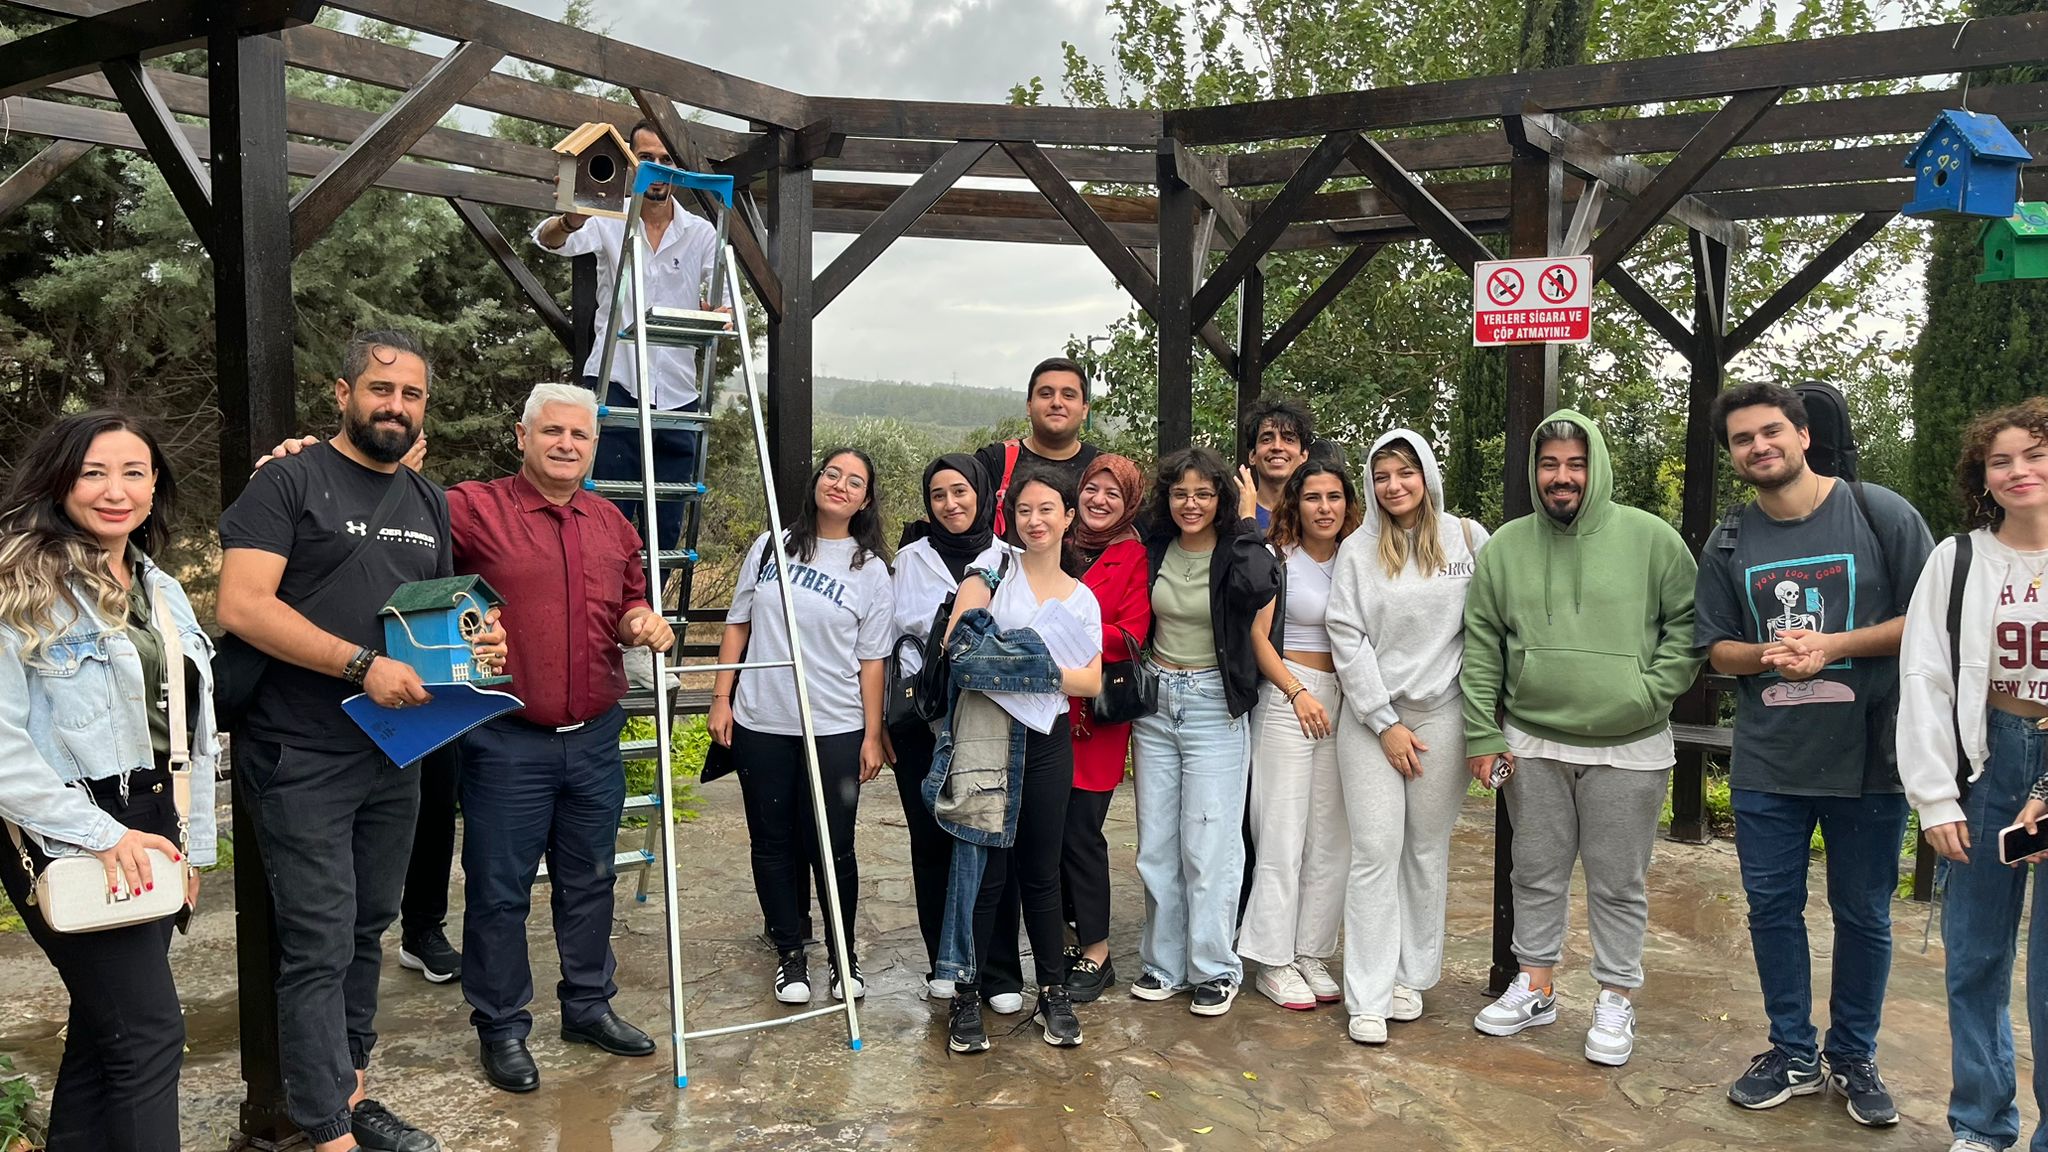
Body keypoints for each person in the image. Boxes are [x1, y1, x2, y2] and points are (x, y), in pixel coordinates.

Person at [218, 330, 505, 1152]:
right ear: (342, 392)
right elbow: (242, 605)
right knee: (316, 938)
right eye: (382, 390)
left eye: (411, 395)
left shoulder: (427, 500)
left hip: (395, 747)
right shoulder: (289, 479)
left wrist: (477, 644)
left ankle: (350, 1091)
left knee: (366, 928)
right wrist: (359, 665)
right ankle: (322, 1130)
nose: (396, 406)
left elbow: (428, 614)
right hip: (301, 750)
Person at [1694, 383, 1930, 1125]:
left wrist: (1832, 645)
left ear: (1801, 434)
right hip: (1771, 762)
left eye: (1770, 432)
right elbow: (1716, 651)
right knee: (1773, 911)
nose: (1758, 447)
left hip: (1871, 760)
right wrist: (1769, 655)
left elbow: (1931, 621)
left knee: (1863, 915)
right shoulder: (1731, 538)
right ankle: (1792, 1050)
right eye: (1742, 439)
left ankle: (1853, 1055)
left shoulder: (1877, 512)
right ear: (1732, 454)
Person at [446, 384, 674, 1092]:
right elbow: (388, 511)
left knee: (590, 881)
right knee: (499, 891)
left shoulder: (612, 523)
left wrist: (638, 619)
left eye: (579, 434)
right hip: (504, 741)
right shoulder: (470, 509)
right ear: (522, 435)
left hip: (596, 738)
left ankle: (587, 1006)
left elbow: (630, 595)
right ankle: (503, 1026)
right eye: (552, 432)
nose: (566, 444)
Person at [0, 412, 216, 1152]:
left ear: (155, 485)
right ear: (61, 481)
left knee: (104, 1034)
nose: (115, 490)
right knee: (150, 1039)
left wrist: (186, 846)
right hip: (72, 826)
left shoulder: (163, 590)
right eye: (94, 472)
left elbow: (187, 736)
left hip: (153, 822)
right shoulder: (20, 584)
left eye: (134, 472)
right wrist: (103, 834)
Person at [1460, 411, 1701, 1068]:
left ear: (1595, 466)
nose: (1561, 478)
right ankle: (1536, 986)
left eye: (1574, 463)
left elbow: (1687, 629)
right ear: (1535, 473)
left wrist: (1647, 693)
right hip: (1532, 742)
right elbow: (1481, 645)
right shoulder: (1505, 547)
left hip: (1630, 745)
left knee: (1618, 880)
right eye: (1549, 465)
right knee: (1534, 872)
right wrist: (1482, 729)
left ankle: (1616, 995)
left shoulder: (1653, 540)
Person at [1897, 397, 2048, 1152]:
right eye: (2001, 459)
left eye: (2034, 453)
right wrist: (1933, 795)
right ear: (1982, 477)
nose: (2019, 470)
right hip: (1992, 755)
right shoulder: (1958, 559)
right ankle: (1982, 1124)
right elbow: (1924, 674)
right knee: (1977, 950)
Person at [708, 448, 893, 1006]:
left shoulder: (870, 569)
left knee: (833, 846)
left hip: (834, 725)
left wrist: (871, 733)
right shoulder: (770, 547)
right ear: (816, 480)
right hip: (762, 719)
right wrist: (722, 698)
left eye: (855, 481)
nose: (840, 485)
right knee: (771, 842)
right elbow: (737, 625)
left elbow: (872, 661)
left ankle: (843, 955)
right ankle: (790, 953)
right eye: (832, 473)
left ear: (865, 500)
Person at [1326, 430, 1488, 1046]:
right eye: (1384, 475)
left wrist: (1483, 718)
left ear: (1426, 475)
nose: (1395, 486)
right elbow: (1346, 634)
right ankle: (1366, 994)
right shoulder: (1357, 552)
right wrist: (1383, 722)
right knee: (1375, 851)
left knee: (1424, 848)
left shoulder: (1467, 539)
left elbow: (1489, 622)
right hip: (1373, 721)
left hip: (1443, 712)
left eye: (1406, 473)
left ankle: (1408, 975)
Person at [940, 466, 1104, 1053]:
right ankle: (966, 994)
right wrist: (1039, 665)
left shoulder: (1082, 597)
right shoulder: (993, 572)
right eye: (1025, 511)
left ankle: (1053, 994)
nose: (1036, 521)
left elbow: (1089, 682)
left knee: (1040, 872)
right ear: (1012, 517)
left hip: (1048, 743)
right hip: (987, 738)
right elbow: (960, 648)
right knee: (983, 874)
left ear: (1067, 518)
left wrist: (1015, 662)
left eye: (1047, 510)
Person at [1128, 447, 1279, 1017]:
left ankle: (1215, 967)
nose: (1191, 504)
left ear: (1220, 499)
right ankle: (1164, 962)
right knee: (1158, 841)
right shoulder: (1155, 548)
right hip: (1156, 704)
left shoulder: (1236, 550)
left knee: (1211, 841)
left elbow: (1262, 585)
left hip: (1215, 703)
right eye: (1180, 493)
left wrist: (1247, 520)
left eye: (1203, 493)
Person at [534, 120, 721, 551]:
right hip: (615, 383)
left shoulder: (701, 233)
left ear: (676, 167)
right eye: (646, 159)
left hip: (677, 394)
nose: (656, 168)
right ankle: (602, 616)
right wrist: (569, 218)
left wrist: (719, 313)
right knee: (604, 518)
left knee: (667, 529)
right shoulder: (610, 215)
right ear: (632, 163)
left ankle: (650, 616)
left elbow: (723, 301)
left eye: (665, 159)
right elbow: (550, 240)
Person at [888, 454, 1023, 1006]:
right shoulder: (907, 560)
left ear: (984, 494)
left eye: (961, 491)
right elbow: (883, 644)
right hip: (924, 721)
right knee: (931, 843)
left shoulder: (1010, 558)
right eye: (939, 494)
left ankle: (998, 972)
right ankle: (942, 963)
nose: (951, 504)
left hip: (990, 722)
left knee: (991, 843)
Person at [1238, 458, 1361, 1012]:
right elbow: (1257, 637)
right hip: (1291, 694)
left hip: (1348, 699)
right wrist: (1295, 691)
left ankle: (1310, 950)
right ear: (1296, 502)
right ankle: (1272, 957)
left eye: (1334, 497)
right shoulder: (1276, 558)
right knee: (1282, 833)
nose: (1324, 508)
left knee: (1331, 838)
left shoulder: (1360, 559)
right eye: (1313, 497)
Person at [1061, 453, 1152, 1003]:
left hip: (1093, 720)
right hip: (1043, 712)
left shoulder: (1131, 554)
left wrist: (1066, 628)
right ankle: (1066, 941)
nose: (1098, 500)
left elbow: (1132, 632)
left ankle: (1097, 951)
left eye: (1111, 494)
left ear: (1128, 503)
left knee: (1081, 836)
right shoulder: (1053, 539)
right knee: (1047, 837)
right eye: (1092, 489)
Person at [974, 356, 1101, 536]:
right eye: (1046, 394)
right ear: (1029, 405)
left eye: (1068, 395)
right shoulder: (994, 463)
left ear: (1084, 409)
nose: (1057, 403)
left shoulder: (1105, 469)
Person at [1240, 395, 1313, 533]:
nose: (1277, 447)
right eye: (1267, 439)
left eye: (1289, 439)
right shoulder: (1234, 515)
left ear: (1304, 455)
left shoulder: (1316, 515)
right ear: (1252, 455)